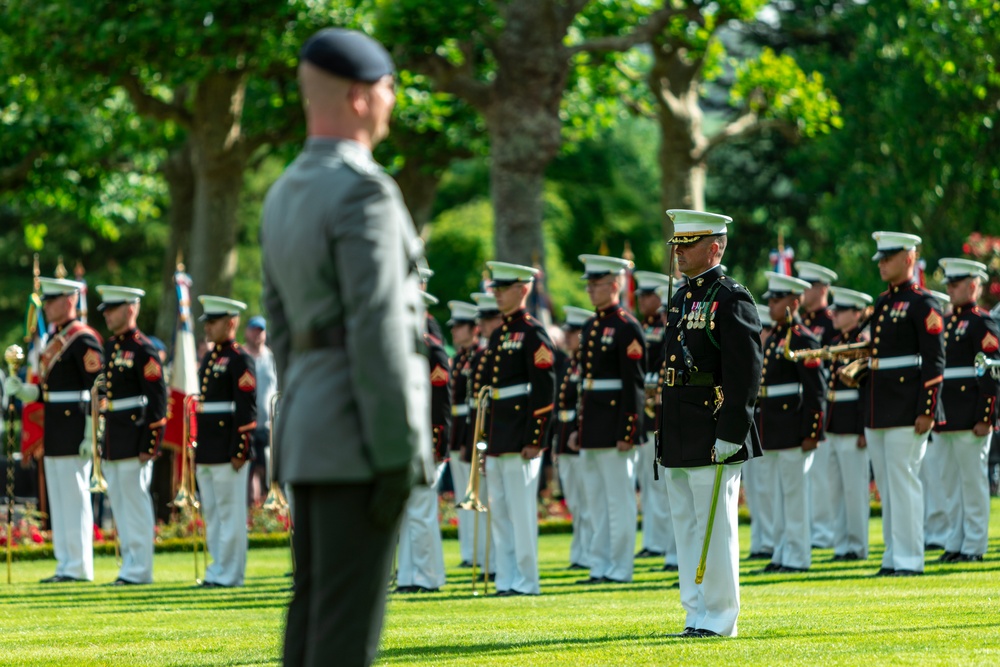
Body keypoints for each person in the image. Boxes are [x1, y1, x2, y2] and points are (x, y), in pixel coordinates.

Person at [260, 27, 434, 667]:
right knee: (343, 639)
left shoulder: (283, 192)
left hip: (310, 427)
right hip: (361, 436)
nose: (391, 103)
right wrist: (398, 450)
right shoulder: (366, 190)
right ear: (361, 98)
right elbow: (381, 328)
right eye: (389, 90)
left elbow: (282, 331)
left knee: (311, 623)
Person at [658, 209, 762, 638]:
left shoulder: (731, 297)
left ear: (714, 247)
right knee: (685, 525)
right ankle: (695, 611)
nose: (679, 253)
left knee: (715, 527)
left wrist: (731, 433)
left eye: (689, 244)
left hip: (713, 422)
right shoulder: (682, 298)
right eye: (677, 245)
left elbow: (746, 373)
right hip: (680, 421)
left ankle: (720, 617)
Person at [5, 277, 103, 583]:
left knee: (75, 497)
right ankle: (65, 564)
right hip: (56, 426)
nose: (46, 307)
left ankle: (80, 566)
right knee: (59, 500)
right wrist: (22, 390)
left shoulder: (83, 338)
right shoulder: (54, 338)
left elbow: (96, 390)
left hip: (76, 426)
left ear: (70, 301)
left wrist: (91, 434)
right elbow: (47, 392)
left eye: (52, 300)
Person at [862, 231, 945, 576]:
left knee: (904, 483)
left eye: (888, 257)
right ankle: (893, 556)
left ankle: (910, 559)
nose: (882, 263)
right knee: (888, 486)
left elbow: (934, 361)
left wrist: (927, 409)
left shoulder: (923, 303)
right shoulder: (883, 302)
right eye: (880, 258)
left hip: (907, 406)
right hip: (880, 405)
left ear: (909, 258)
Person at [482, 261, 556, 596]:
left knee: (522, 513)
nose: (496, 293)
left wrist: (535, 438)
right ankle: (506, 577)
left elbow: (544, 390)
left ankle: (526, 580)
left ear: (523, 289)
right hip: (498, 433)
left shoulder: (532, 332)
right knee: (500, 511)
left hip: (521, 434)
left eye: (503, 287)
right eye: (495, 288)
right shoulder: (498, 333)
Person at [572, 254, 645, 585]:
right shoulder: (590, 326)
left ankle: (620, 568)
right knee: (595, 502)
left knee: (618, 503)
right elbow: (583, 385)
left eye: (596, 284)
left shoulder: (626, 326)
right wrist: (578, 427)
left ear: (615, 285)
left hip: (615, 422)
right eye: (588, 284)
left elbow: (634, 385)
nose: (590, 290)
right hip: (592, 424)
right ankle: (599, 565)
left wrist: (628, 429)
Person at [96, 285, 167, 585]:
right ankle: (130, 567)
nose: (108, 315)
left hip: (134, 435)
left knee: (135, 504)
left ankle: (140, 569)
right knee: (121, 506)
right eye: (106, 310)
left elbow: (158, 401)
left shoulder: (143, 349)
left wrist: (150, 444)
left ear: (131, 309)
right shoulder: (110, 347)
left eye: (113, 309)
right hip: (113, 436)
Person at [759, 272, 827, 574]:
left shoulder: (802, 338)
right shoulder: (773, 337)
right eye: (771, 300)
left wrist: (812, 431)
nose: (772, 305)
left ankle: (797, 556)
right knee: (776, 498)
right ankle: (780, 552)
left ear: (795, 302)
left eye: (777, 300)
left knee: (795, 497)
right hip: (771, 427)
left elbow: (816, 391)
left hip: (793, 427)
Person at [934, 258, 998, 563]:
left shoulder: (981, 322)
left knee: (972, 484)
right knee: (949, 484)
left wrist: (986, 417)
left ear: (973, 285)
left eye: (955, 284)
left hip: (972, 417)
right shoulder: (945, 323)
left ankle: (973, 546)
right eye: (948, 284)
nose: (950, 289)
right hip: (947, 416)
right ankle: (955, 542)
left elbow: (991, 375)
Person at [193, 295, 256, 588]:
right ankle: (218, 568)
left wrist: (240, 449)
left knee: (230, 514)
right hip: (208, 446)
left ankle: (231, 574)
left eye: (214, 322)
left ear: (231, 322)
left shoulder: (240, 358)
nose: (208, 327)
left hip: (227, 447)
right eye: (207, 322)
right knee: (214, 514)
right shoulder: (210, 356)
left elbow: (246, 410)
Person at [394, 292, 449, 593]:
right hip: (403, 440)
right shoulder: (400, 349)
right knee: (406, 512)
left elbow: (441, 405)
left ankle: (427, 577)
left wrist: (436, 445)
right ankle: (409, 576)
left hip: (425, 442)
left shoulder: (432, 350)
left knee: (422, 513)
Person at [822, 287, 873, 561]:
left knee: (854, 490)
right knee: (836, 490)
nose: (834, 314)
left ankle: (857, 546)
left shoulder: (862, 343)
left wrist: (864, 426)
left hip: (853, 425)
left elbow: (865, 390)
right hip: (834, 422)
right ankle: (841, 545)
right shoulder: (837, 339)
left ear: (856, 313)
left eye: (840, 311)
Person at [631, 271, 676, 570]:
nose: (642, 301)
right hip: (649, 413)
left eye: (647, 296)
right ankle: (652, 540)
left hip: (661, 410)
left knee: (662, 484)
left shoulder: (664, 327)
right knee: (649, 484)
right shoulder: (646, 327)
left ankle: (659, 542)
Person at [794, 261, 838, 550]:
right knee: (806, 480)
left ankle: (823, 534)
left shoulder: (833, 322)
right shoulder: (801, 325)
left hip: (831, 405)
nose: (804, 291)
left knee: (823, 479)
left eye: (809, 285)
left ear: (823, 288)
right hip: (801, 406)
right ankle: (810, 532)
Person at [555, 305, 594, 571]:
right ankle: (579, 552)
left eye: (572, 332)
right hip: (565, 438)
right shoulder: (570, 365)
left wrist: (577, 433)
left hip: (577, 437)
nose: (567, 337)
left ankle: (589, 552)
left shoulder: (585, 365)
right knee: (576, 503)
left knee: (587, 502)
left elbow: (583, 403)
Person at [444, 300, 481, 568]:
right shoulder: (458, 359)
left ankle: (478, 551)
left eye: (460, 327)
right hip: (455, 432)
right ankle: (468, 552)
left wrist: (470, 440)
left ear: (473, 328)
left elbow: (473, 406)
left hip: (468, 432)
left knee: (475, 495)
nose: (455, 331)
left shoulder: (479, 356)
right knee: (461, 496)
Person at [922, 290, 954, 550]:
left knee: (941, 478)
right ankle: (932, 531)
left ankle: (942, 533)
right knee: (929, 476)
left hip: (945, 412)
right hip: (934, 411)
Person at [745, 303, 776, 560]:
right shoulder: (753, 355)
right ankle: (760, 540)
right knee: (755, 489)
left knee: (767, 489)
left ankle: (769, 541)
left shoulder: (772, 354)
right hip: (754, 426)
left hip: (772, 427)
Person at [243, 315, 278, 505]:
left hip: (268, 425)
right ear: (247, 331)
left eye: (261, 331)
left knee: (268, 470)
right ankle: (253, 510)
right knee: (251, 471)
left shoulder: (272, 358)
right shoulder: (241, 356)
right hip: (247, 424)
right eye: (254, 330)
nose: (257, 335)